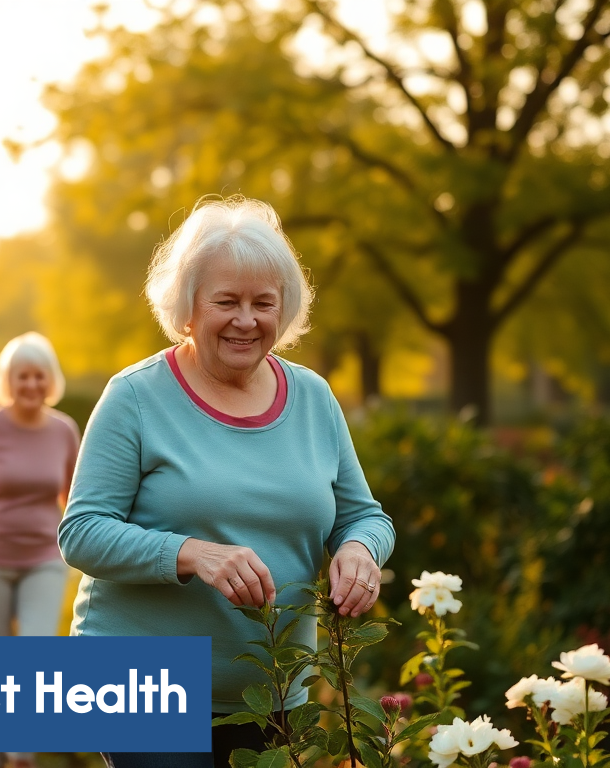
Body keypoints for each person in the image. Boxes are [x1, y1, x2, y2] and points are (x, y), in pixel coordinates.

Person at [57, 196, 396, 768]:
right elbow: (82, 532)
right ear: (187, 307)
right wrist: (192, 554)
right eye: (226, 301)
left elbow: (364, 515)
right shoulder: (135, 396)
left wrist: (361, 549)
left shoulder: (313, 397)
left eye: (264, 303)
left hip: (275, 687)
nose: (246, 320)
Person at [0, 332, 80, 768]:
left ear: (50, 380)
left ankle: (21, 756)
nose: (31, 384)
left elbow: (77, 495)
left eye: (39, 375)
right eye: (22, 376)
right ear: (9, 380)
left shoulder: (64, 430)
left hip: (44, 558)